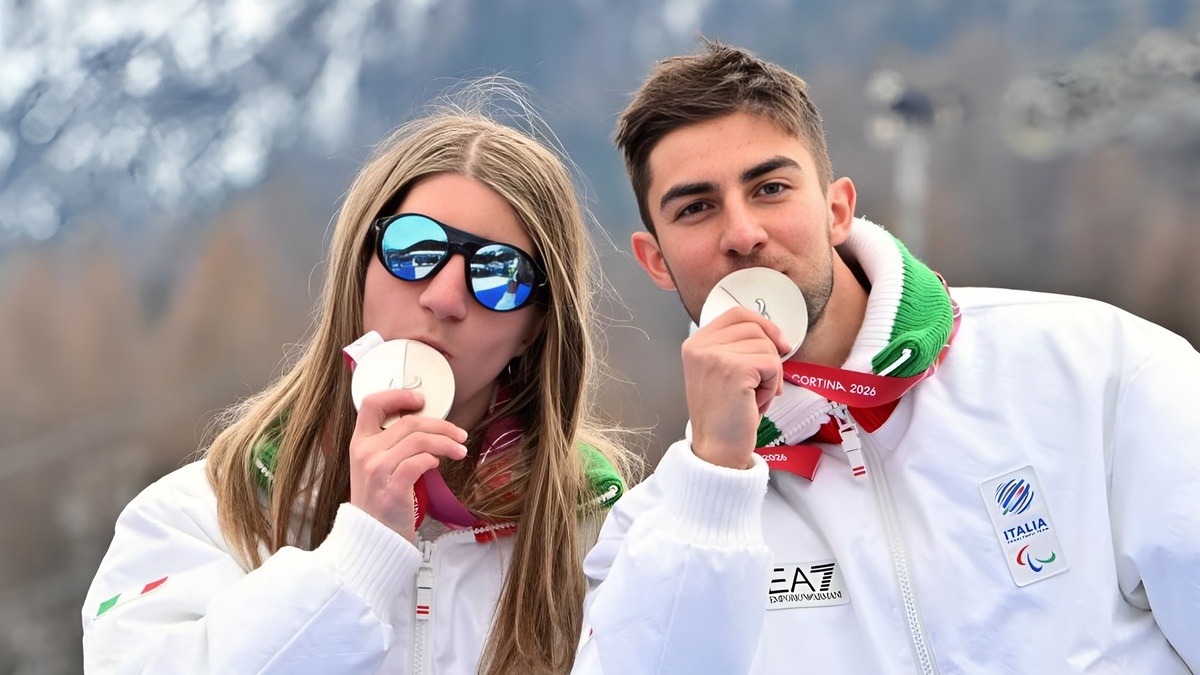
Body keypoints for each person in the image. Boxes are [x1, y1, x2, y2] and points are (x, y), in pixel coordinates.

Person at [572, 41, 1200, 674]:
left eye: (770, 187)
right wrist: (715, 478)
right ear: (656, 261)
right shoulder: (658, 528)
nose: (742, 234)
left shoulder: (1095, 367)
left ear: (837, 209)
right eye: (696, 208)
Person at [83, 83, 638, 675]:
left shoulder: (597, 535)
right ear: (361, 268)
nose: (444, 295)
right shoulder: (208, 508)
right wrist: (360, 553)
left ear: (535, 328)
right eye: (413, 249)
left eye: (499, 274)